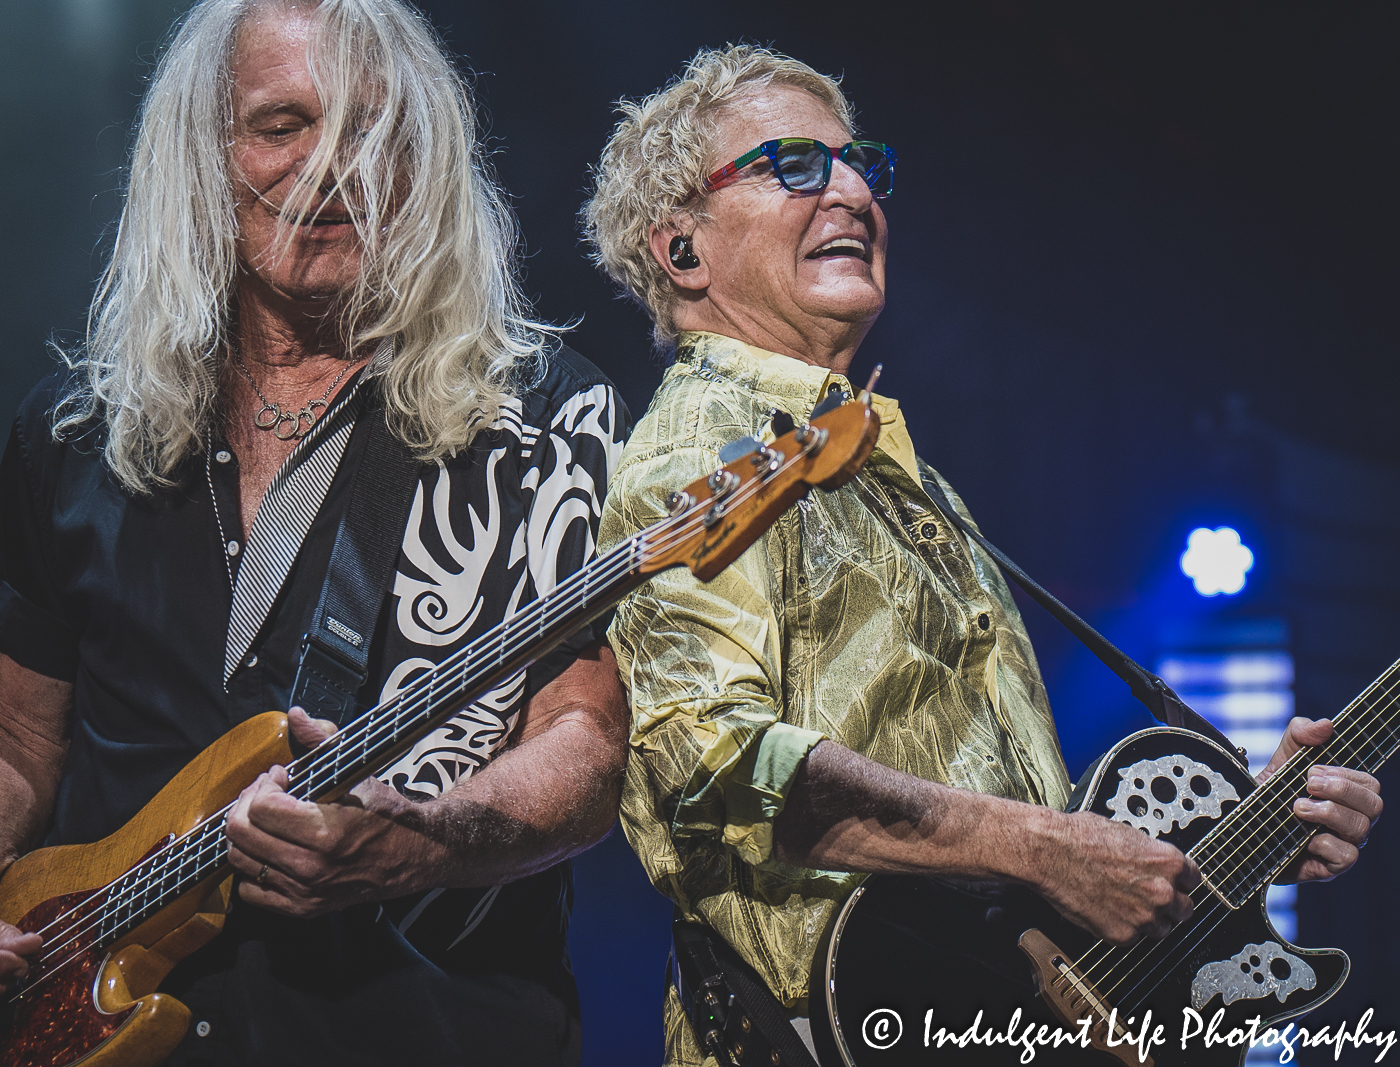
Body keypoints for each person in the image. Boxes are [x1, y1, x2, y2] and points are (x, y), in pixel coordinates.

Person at [583, 45, 1382, 1066]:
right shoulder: (706, 457)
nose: (850, 190)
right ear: (682, 250)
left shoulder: (875, 457)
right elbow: (716, 766)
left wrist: (1248, 826)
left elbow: (1003, 886)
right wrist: (1048, 845)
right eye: (792, 165)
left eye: (861, 163)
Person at [0, 2, 631, 1064]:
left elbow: (585, 740)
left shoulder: (540, 415)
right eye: (281, 124)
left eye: (368, 130)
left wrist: (419, 843)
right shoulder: (77, 428)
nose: (328, 168)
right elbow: (7, 732)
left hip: (422, 1027)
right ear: (199, 154)